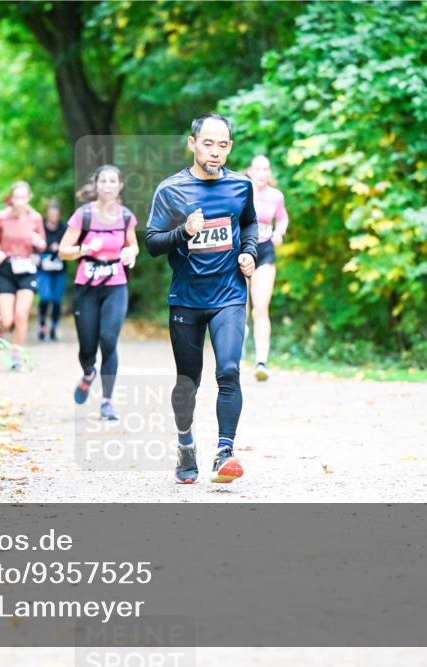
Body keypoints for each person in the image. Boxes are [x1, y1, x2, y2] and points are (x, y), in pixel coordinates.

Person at [144, 113, 257, 484]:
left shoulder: (240, 185)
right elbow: (152, 243)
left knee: (229, 370)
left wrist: (250, 251)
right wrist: (184, 231)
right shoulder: (171, 190)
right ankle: (185, 443)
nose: (215, 151)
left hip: (229, 295)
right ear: (192, 143)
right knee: (187, 381)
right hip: (187, 299)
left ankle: (225, 452)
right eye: (208, 143)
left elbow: (248, 223)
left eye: (222, 145)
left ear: (230, 148)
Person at [58, 165, 139, 421]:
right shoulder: (83, 215)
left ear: (120, 186)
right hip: (87, 287)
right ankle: (88, 373)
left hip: (115, 284)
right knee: (88, 347)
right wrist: (85, 248)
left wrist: (130, 252)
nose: (108, 185)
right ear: (96, 185)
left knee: (109, 340)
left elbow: (133, 245)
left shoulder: (126, 217)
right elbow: (63, 250)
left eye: (113, 181)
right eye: (103, 181)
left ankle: (107, 401)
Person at [0, 181, 47, 370]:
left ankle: (16, 357)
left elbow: (42, 245)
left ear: (29, 198)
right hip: (6, 269)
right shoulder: (1, 217)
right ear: (11, 198)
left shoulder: (35, 218)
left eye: (23, 197)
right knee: (7, 319)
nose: (19, 201)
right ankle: (0, 327)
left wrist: (38, 242)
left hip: (26, 269)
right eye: (16, 197)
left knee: (21, 314)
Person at [246, 155, 290, 381]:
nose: (262, 173)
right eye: (258, 169)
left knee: (261, 308)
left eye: (266, 169)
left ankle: (261, 362)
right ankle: (235, 349)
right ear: (250, 171)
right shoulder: (241, 192)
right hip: (242, 250)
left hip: (264, 251)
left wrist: (279, 232)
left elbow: (282, 218)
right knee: (239, 307)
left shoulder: (276, 196)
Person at [37, 199, 68, 341]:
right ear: (47, 214)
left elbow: (70, 244)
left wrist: (60, 248)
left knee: (57, 300)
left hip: (59, 269)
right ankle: (42, 324)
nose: (53, 217)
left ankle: (54, 327)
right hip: (43, 269)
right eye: (51, 214)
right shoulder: (41, 227)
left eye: (56, 214)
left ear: (59, 215)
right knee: (45, 297)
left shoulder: (64, 228)